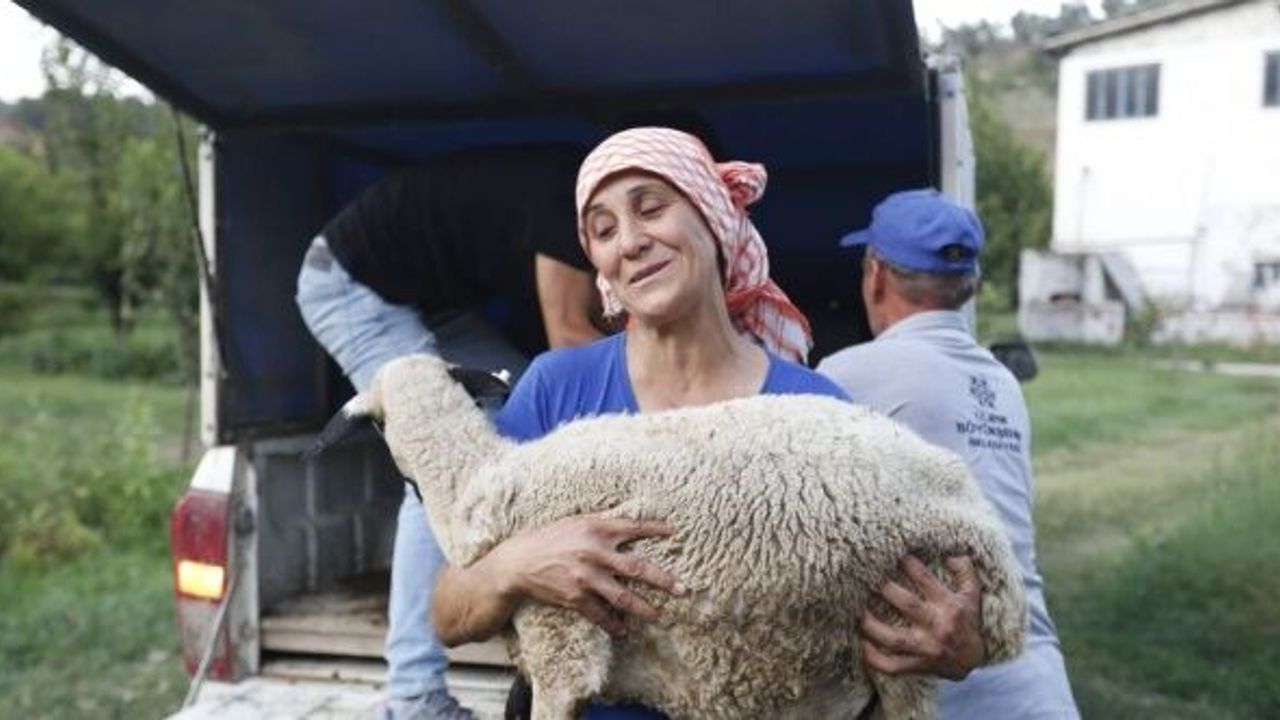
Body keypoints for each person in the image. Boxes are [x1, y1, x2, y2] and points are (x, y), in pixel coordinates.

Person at [432, 128, 988, 718]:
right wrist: (518, 565)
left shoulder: (814, 410)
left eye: (651, 209)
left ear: (714, 216)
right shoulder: (556, 390)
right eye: (603, 229)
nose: (631, 241)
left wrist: (959, 647)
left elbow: (902, 612)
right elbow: (447, 612)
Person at [294, 146, 602, 720]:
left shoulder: (587, 205)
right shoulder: (567, 201)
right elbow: (570, 337)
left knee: (514, 401)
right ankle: (413, 695)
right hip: (348, 284)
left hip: (430, 301)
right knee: (440, 451)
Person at [817, 189, 1081, 719]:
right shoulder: (1003, 383)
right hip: (1041, 689)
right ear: (971, 285)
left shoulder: (846, 374)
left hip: (942, 697)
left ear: (875, 275)